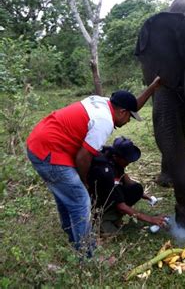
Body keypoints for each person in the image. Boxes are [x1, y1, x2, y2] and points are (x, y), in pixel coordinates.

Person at [26, 76, 161, 257]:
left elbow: (132, 104)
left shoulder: (105, 102)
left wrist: (152, 87)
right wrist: (83, 182)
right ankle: (88, 256)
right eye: (130, 116)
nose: (129, 121)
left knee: (67, 199)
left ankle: (74, 240)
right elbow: (83, 157)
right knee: (81, 201)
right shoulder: (103, 121)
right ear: (121, 112)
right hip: (50, 152)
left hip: (41, 142)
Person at [88, 136, 168, 234]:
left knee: (136, 189)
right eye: (127, 159)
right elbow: (121, 206)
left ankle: (113, 217)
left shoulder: (113, 158)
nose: (129, 162)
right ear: (116, 157)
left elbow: (128, 182)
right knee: (114, 234)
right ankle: (101, 219)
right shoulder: (107, 172)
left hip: (109, 195)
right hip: (97, 204)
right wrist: (151, 219)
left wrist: (146, 196)